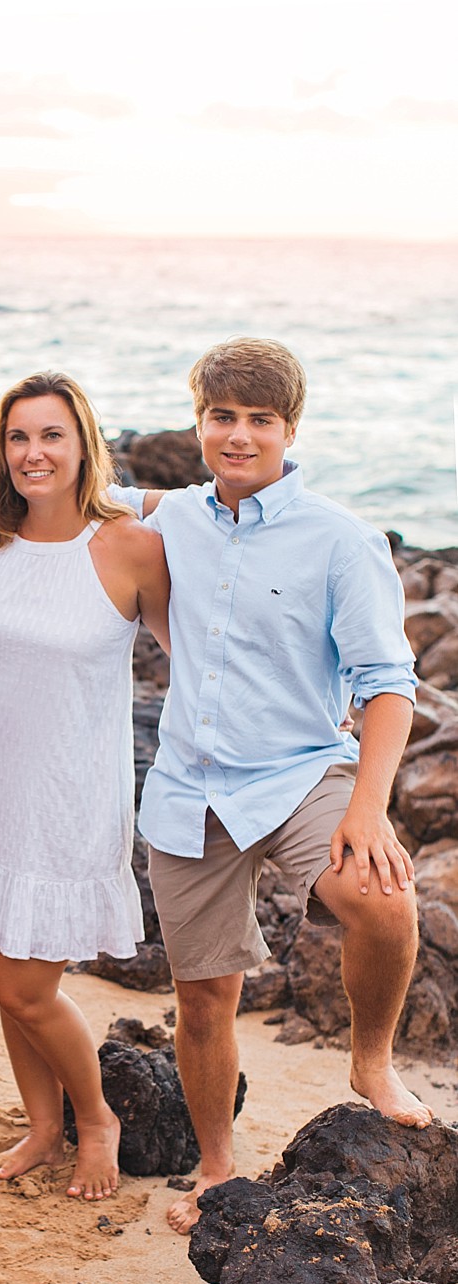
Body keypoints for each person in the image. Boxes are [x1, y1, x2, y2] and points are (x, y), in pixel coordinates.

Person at [139, 338, 429, 1234]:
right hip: (190, 782)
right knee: (202, 996)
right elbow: (50, 473)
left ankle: (370, 1059)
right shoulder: (168, 518)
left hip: (302, 767)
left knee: (378, 896)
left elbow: (387, 683)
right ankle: (217, 1166)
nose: (237, 436)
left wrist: (367, 807)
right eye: (221, 417)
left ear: (289, 427)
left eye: (258, 420)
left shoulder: (341, 539)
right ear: (198, 422)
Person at [0, 371, 170, 1200]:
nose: (33, 453)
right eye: (17, 437)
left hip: (70, 791)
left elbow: (196, 654)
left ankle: (95, 1117)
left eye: (51, 436)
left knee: (26, 988)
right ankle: (41, 1126)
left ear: (83, 445)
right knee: (7, 968)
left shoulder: (128, 543)